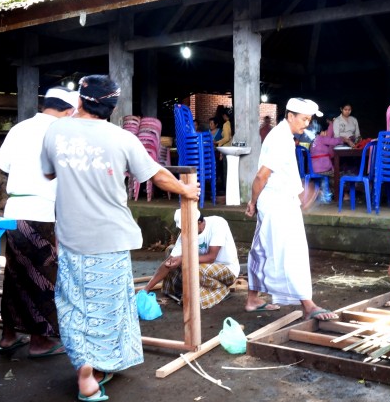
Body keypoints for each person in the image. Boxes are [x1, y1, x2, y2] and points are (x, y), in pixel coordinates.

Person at [41, 75, 200, 402]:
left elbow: (48, 172)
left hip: (71, 235)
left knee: (73, 302)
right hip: (110, 237)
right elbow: (156, 174)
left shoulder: (55, 131)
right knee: (107, 305)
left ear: (81, 100)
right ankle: (96, 367)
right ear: (112, 107)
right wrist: (186, 189)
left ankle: (85, 365)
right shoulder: (122, 139)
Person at [0, 87, 78, 358]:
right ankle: (40, 341)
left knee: (16, 276)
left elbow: (2, 163)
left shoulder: (20, 127)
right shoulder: (60, 132)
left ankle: (9, 335)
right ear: (68, 112)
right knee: (43, 276)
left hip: (14, 209)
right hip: (41, 211)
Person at [245, 97, 337, 321]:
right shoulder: (280, 139)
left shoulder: (285, 136)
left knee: (262, 248)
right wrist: (252, 201)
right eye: (304, 119)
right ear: (290, 116)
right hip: (277, 203)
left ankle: (252, 299)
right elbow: (261, 176)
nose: (306, 124)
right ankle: (308, 305)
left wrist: (298, 194)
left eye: (309, 119)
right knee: (292, 252)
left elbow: (281, 174)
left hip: (279, 201)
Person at [143, 210, 240, 310]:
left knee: (194, 269)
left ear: (198, 222)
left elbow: (211, 257)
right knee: (172, 256)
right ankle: (193, 290)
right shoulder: (184, 234)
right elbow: (169, 261)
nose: (185, 232)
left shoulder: (218, 223)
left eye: (188, 228)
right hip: (202, 269)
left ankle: (221, 290)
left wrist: (183, 259)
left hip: (227, 269)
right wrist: (146, 289)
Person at [309, 120, 343, 202]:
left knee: (329, 176)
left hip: (313, 169)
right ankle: (337, 196)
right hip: (322, 170)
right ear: (323, 131)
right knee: (338, 175)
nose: (327, 133)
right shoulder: (321, 138)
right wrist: (342, 139)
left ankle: (323, 194)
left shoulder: (314, 140)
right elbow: (333, 141)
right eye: (326, 131)